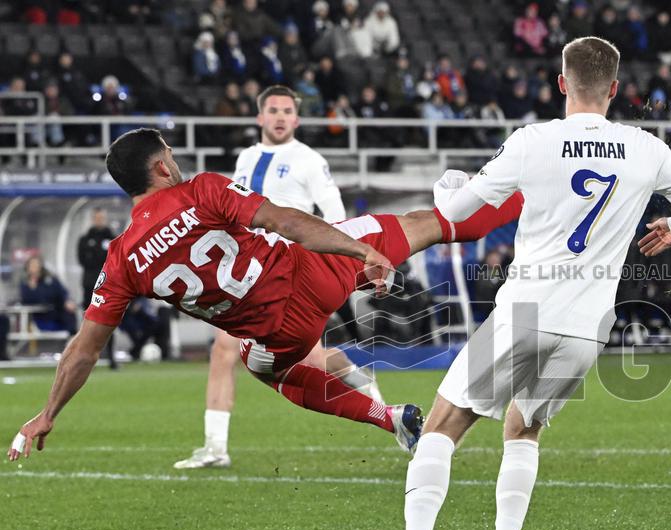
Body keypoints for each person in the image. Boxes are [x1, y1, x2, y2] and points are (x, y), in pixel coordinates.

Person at [351, 36, 671, 530]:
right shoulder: (646, 148)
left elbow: (453, 211)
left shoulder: (534, 140)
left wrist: (448, 185)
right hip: (590, 323)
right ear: (615, 90)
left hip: (528, 307)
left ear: (560, 83)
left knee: (442, 427)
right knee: (523, 431)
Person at [9, 128, 524, 464]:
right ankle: (531, 193)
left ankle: (390, 419)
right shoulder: (202, 190)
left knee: (263, 369)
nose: (177, 161)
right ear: (162, 166)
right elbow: (288, 222)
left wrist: (49, 411)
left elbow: (84, 349)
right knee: (428, 223)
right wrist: (355, 250)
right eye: (171, 154)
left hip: (278, 334)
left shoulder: (121, 259)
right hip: (313, 273)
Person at [174, 84, 372, 469]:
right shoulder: (246, 157)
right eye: (273, 110)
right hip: (247, 269)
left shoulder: (309, 160)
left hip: (291, 267)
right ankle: (215, 447)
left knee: (305, 360)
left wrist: (338, 259)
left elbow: (335, 214)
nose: (280, 117)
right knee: (224, 351)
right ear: (260, 117)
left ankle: (368, 392)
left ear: (296, 119)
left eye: (287, 111)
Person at [77, 207, 118, 369]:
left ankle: (111, 356)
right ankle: (84, 357)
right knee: (88, 321)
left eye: (101, 217)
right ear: (93, 219)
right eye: (97, 218)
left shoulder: (112, 238)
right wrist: (98, 258)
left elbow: (112, 260)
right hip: (89, 286)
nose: (99, 220)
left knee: (109, 320)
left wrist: (95, 257)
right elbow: (83, 260)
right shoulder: (85, 239)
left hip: (108, 286)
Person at [19, 257, 76, 334]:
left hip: (57, 312)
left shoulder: (50, 280)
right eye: (32, 266)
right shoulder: (25, 284)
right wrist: (33, 289)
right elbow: (27, 300)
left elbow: (62, 292)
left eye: (37, 265)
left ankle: (73, 338)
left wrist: (67, 300)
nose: (35, 268)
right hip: (41, 316)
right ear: (27, 268)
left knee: (69, 313)